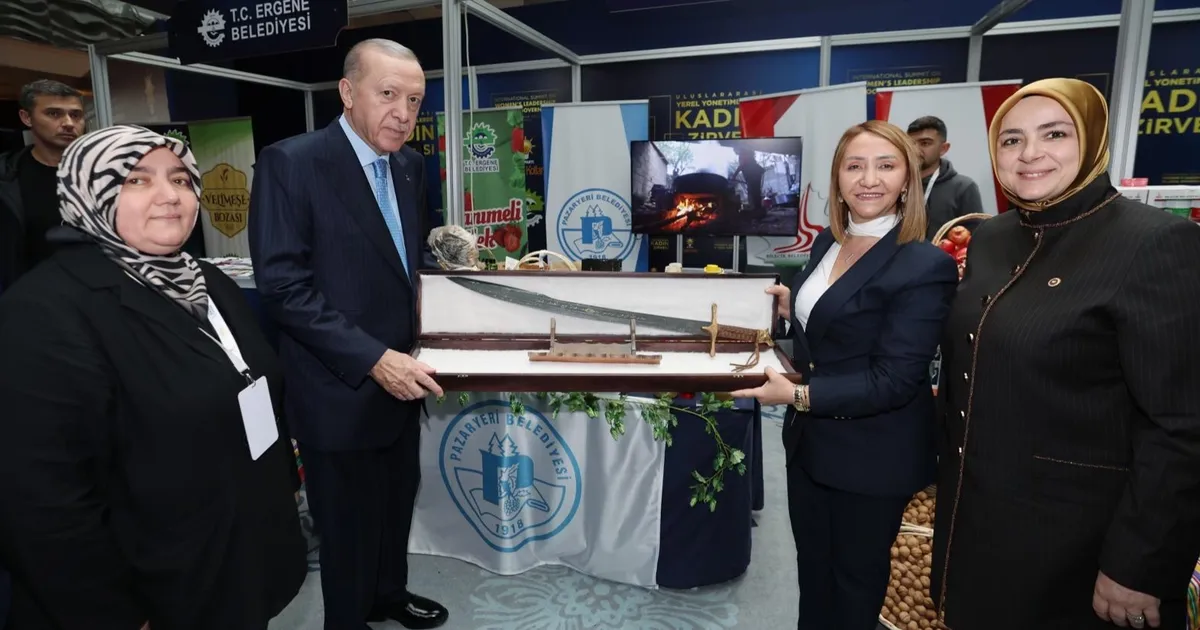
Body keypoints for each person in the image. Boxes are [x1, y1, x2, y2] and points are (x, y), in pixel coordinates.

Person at [0, 124, 307, 629]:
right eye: (137, 179)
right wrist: (117, 616)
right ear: (89, 192)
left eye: (181, 179)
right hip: (154, 591)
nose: (170, 196)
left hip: (237, 561)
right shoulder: (43, 313)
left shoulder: (207, 280)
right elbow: (43, 506)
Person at [931, 78, 1200, 630]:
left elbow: (1181, 425)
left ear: (1094, 139)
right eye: (1011, 139)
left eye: (1055, 134)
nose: (1030, 153)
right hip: (975, 519)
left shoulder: (1154, 243)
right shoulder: (993, 237)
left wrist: (1140, 562)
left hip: (1078, 547)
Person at [247, 38, 447, 630]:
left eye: (414, 100)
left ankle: (389, 595)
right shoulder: (291, 163)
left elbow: (403, 268)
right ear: (347, 92)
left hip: (402, 381)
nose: (403, 113)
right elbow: (284, 288)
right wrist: (373, 358)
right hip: (338, 386)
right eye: (387, 94)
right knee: (347, 527)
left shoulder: (410, 167)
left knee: (394, 504)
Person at [731, 120, 957, 630]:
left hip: (872, 456)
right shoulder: (829, 242)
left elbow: (895, 379)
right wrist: (794, 307)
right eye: (855, 166)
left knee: (854, 588)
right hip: (809, 446)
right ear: (837, 178)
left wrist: (797, 396)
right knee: (813, 575)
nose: (868, 179)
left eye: (885, 166)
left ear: (908, 178)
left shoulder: (924, 265)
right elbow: (836, 318)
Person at [0, 79, 85, 291]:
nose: (68, 123)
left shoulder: (104, 174)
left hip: (96, 292)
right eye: (54, 114)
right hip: (28, 295)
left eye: (76, 115)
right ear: (26, 118)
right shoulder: (7, 177)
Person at [906, 115, 984, 238]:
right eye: (911, 144)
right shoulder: (897, 185)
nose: (915, 150)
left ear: (943, 148)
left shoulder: (963, 187)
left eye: (925, 143)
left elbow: (975, 238)